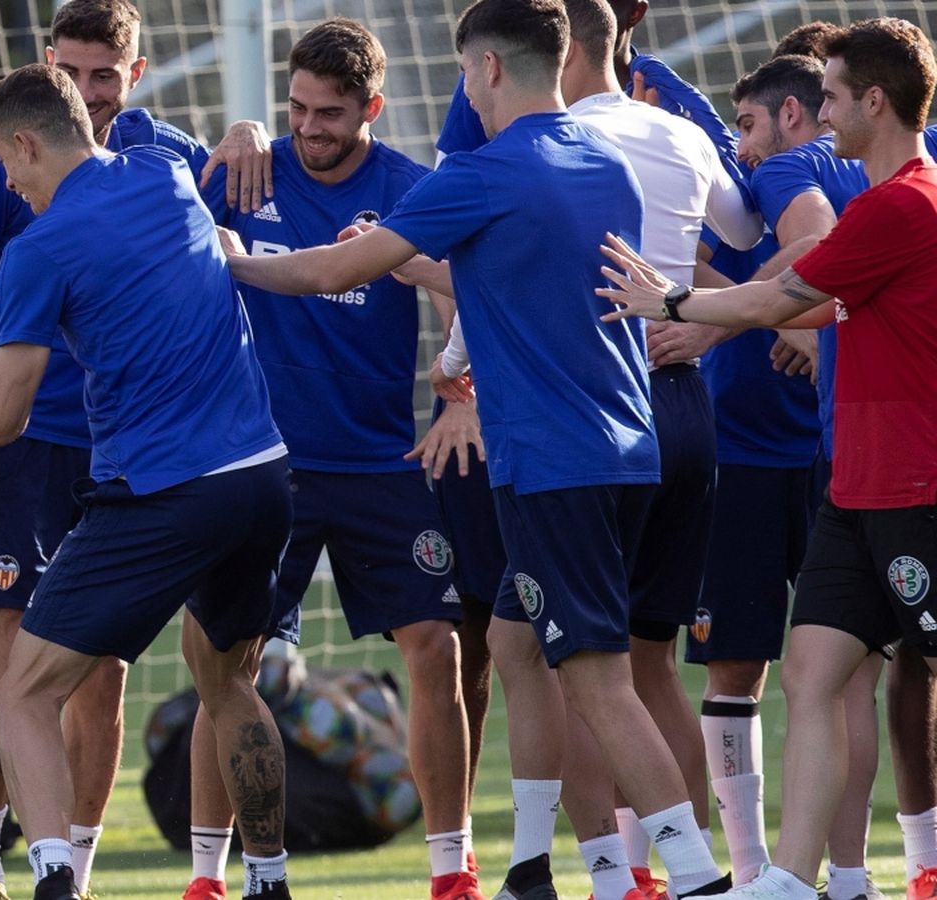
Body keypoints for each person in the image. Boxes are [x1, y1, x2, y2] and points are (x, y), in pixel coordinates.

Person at [223, 1, 733, 896]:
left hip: (552, 461)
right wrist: (433, 295)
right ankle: (533, 867)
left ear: (490, 68)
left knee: (601, 679)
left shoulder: (485, 172)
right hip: (628, 444)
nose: (463, 86)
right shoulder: (604, 159)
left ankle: (690, 877)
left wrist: (232, 258)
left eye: (463, 72)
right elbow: (514, 273)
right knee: (513, 640)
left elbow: (328, 273)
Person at [0, 63, 295, 900]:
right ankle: (268, 882)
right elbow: (73, 144)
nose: (9, 183)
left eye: (9, 164)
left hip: (164, 493)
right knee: (229, 684)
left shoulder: (38, 250)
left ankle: (54, 879)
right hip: (261, 476)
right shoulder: (164, 172)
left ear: (23, 146)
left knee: (22, 688)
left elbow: (1, 419)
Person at [593, 18, 937, 899]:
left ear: (873, 100)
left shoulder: (906, 201)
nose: (817, 114)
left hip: (916, 489)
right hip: (854, 493)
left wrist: (668, 296)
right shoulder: (876, 204)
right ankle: (792, 877)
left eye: (829, 97)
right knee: (816, 675)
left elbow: (788, 292)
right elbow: (811, 311)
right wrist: (716, 304)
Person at [180, 18, 477, 900]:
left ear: (371, 109)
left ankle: (450, 869)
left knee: (436, 648)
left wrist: (457, 394)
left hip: (385, 460)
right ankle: (205, 875)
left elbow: (490, 297)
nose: (309, 126)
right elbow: (145, 211)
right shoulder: (245, 171)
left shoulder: (416, 190)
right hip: (261, 463)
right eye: (298, 108)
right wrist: (226, 142)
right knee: (224, 661)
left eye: (331, 112)